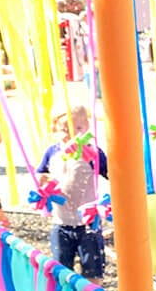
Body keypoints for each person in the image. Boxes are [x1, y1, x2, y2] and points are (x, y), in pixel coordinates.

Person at [36, 105, 109, 280]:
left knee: (92, 270)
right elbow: (41, 173)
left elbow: (113, 174)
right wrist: (42, 181)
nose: (72, 134)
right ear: (54, 129)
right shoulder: (52, 152)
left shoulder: (93, 153)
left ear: (87, 128)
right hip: (61, 222)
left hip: (88, 223)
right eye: (65, 129)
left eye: (79, 128)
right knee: (61, 271)